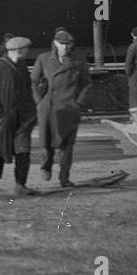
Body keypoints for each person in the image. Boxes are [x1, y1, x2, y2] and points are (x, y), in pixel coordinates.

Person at [31, 28, 90, 188]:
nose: (65, 48)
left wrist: (78, 104)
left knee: (67, 145)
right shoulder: (43, 59)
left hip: (69, 109)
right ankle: (46, 166)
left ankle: (64, 178)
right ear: (55, 44)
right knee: (47, 142)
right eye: (62, 44)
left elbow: (86, 84)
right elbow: (34, 82)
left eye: (68, 45)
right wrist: (39, 102)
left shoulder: (79, 61)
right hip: (48, 108)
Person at [0, 35, 37, 195]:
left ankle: (20, 185)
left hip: (22, 119)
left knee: (23, 151)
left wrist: (31, 112)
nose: (28, 51)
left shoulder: (22, 66)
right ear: (18, 50)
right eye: (26, 49)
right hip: (1, 121)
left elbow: (26, 90)